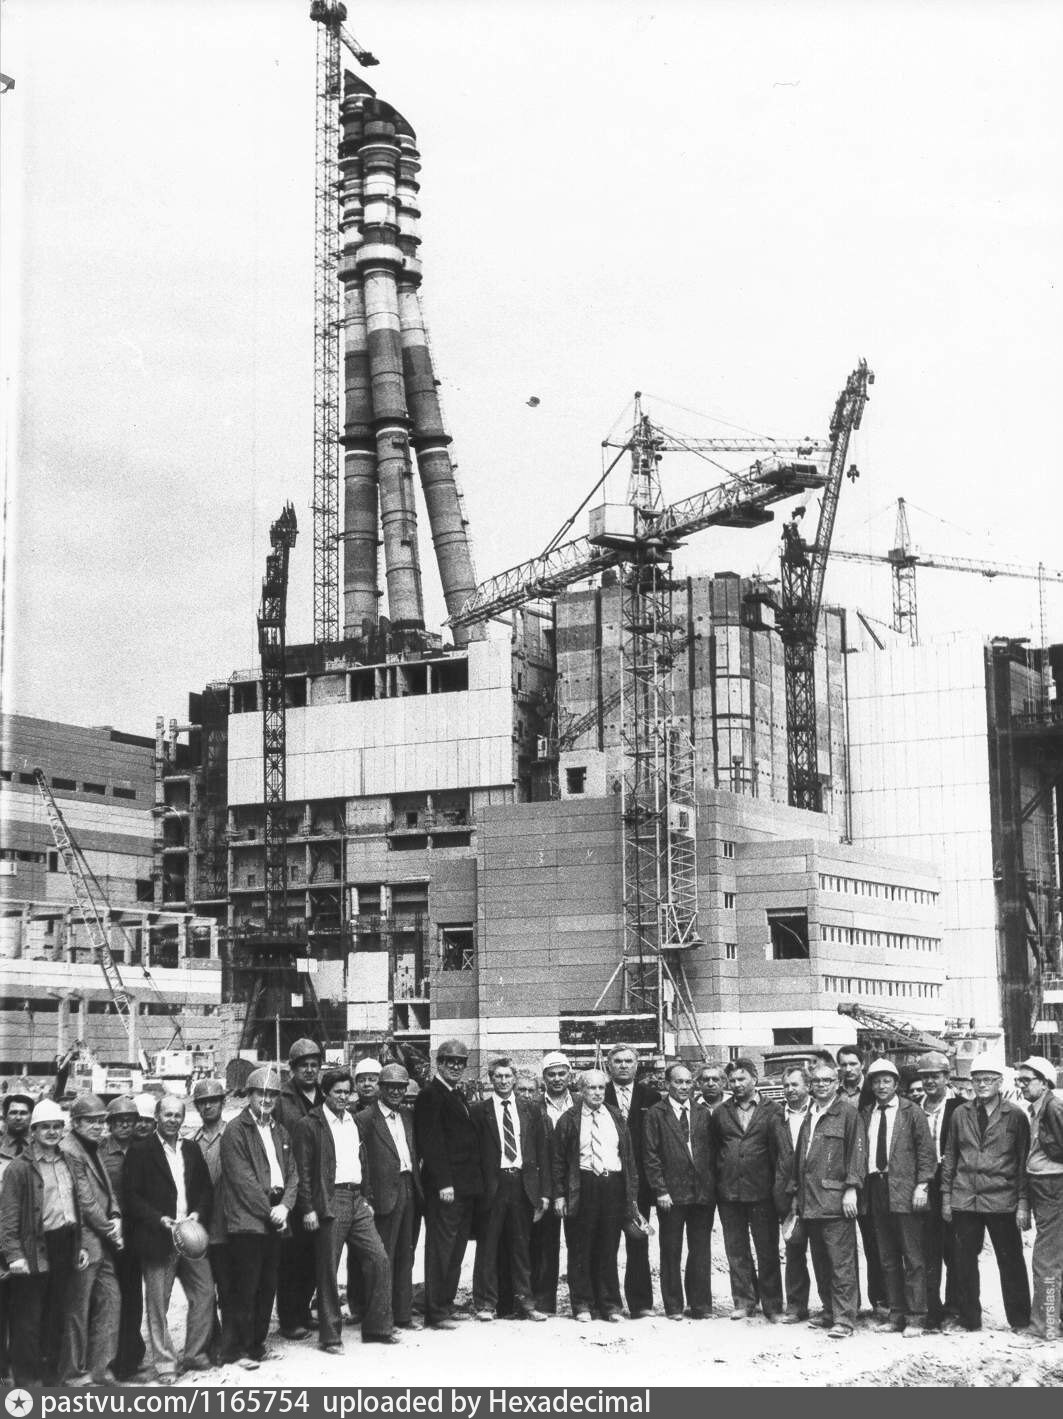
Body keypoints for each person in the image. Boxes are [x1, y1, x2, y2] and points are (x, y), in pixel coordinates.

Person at [293, 1068, 398, 1352]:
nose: (343, 1097)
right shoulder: (310, 1124)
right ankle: (330, 1337)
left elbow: (362, 1160)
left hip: (356, 1198)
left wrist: (366, 1198)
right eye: (337, 1092)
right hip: (331, 1199)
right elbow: (302, 1171)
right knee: (328, 1269)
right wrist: (308, 1208)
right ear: (325, 1093)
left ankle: (378, 1328)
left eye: (346, 1092)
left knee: (379, 1258)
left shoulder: (353, 1120)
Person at [123, 1094, 214, 1384]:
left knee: (205, 1293)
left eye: (178, 1115)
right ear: (157, 1117)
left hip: (191, 1235)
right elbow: (131, 1196)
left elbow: (205, 1189)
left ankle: (195, 1354)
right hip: (158, 1237)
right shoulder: (140, 1151)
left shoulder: (191, 1148)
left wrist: (198, 1213)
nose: (173, 1120)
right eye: (168, 1114)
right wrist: (159, 1219)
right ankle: (165, 1363)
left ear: (183, 1118)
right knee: (158, 1305)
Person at [940, 1050, 1032, 1334]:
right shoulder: (960, 1114)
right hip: (965, 1198)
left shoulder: (1015, 1116)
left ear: (1000, 1082)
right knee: (963, 1261)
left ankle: (1020, 1320)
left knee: (1010, 1259)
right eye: (977, 1079)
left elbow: (1023, 1162)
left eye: (988, 1079)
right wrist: (946, 1197)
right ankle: (969, 1320)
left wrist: (1023, 1203)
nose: (982, 1084)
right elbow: (950, 1157)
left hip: (1001, 1198)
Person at [0, 1098, 88, 1385]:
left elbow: (76, 1206)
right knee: (27, 1319)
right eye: (45, 1127)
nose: (52, 1132)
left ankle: (51, 1380)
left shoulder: (69, 1161)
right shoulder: (19, 1169)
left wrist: (80, 1245)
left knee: (56, 1314)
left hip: (65, 1243)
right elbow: (8, 1218)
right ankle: (27, 1384)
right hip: (34, 1247)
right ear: (34, 1131)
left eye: (56, 1126)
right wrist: (14, 1255)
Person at [219, 1066, 299, 1369]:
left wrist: (286, 1206)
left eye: (272, 1095)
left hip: (277, 1213)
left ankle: (256, 1345)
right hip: (248, 1219)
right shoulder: (235, 1130)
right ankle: (237, 1350)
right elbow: (243, 1181)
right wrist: (271, 1212)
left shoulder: (280, 1131)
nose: (266, 1099)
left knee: (268, 1285)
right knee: (245, 1286)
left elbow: (293, 1174)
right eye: (260, 1094)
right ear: (249, 1095)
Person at [552, 1069, 639, 1323]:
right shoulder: (569, 1119)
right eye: (591, 1088)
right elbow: (558, 1161)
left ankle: (610, 1305)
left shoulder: (615, 1115)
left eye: (601, 1088)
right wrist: (559, 1195)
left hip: (612, 1186)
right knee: (580, 1247)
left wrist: (631, 1194)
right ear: (581, 1091)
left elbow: (628, 1156)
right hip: (583, 1185)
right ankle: (582, 1304)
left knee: (608, 1246)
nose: (597, 1093)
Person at [790, 1060, 867, 1339]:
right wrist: (796, 1195)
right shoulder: (810, 1114)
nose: (821, 1085)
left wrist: (852, 1189)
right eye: (816, 1081)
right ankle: (829, 1310)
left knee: (841, 1262)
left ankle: (845, 1318)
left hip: (835, 1201)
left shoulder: (848, 1114)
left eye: (827, 1081)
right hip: (810, 1200)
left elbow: (858, 1153)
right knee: (821, 1261)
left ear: (837, 1084)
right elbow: (801, 1158)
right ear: (810, 1086)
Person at [858, 1058, 934, 1336]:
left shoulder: (911, 1112)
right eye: (876, 1081)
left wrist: (922, 1185)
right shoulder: (866, 1113)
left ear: (896, 1084)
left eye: (886, 1081)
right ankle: (896, 1314)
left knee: (912, 1257)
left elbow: (926, 1152)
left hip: (904, 1188)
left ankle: (916, 1317)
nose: (881, 1086)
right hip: (875, 1189)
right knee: (887, 1256)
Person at [470, 1058, 550, 1323]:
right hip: (493, 1186)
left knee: (521, 1247)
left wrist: (543, 1193)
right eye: (498, 1076)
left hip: (522, 1184)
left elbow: (541, 1152)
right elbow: (475, 1154)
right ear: (491, 1079)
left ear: (514, 1079)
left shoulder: (531, 1109)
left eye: (507, 1076)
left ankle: (526, 1302)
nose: (503, 1081)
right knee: (488, 1247)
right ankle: (486, 1304)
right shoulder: (479, 1111)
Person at [413, 1038, 484, 1330]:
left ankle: (445, 1302)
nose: (455, 1067)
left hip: (464, 1188)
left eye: (460, 1063)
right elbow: (431, 1143)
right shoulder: (431, 1095)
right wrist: (444, 1183)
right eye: (449, 1062)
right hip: (446, 1189)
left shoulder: (455, 1094)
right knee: (441, 1249)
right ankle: (435, 1311)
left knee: (455, 1249)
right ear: (438, 1063)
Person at [710, 1056, 783, 1321]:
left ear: (754, 1079)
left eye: (742, 1079)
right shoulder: (720, 1112)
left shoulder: (774, 1110)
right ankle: (744, 1301)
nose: (737, 1084)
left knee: (767, 1250)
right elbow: (716, 1149)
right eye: (732, 1080)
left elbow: (780, 1152)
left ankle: (773, 1305)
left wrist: (777, 1188)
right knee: (736, 1250)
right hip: (729, 1192)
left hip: (762, 1191)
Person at [642, 1063, 715, 1320]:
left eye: (687, 1082)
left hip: (701, 1194)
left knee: (700, 1251)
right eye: (678, 1082)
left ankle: (700, 1305)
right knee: (671, 1250)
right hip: (671, 1195)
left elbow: (710, 1152)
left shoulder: (702, 1113)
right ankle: (673, 1306)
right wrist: (660, 1190)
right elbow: (650, 1155)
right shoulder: (656, 1114)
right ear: (667, 1084)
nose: (684, 1087)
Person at [59, 1093, 123, 1385]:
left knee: (110, 1300)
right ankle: (73, 1373)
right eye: (91, 1121)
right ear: (75, 1122)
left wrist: (116, 1215)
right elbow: (84, 1200)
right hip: (83, 1242)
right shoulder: (69, 1149)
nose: (98, 1126)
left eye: (101, 1121)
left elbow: (108, 1191)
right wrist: (111, 1229)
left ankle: (101, 1368)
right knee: (77, 1310)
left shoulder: (92, 1146)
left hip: (102, 1240)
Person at [356, 1063, 422, 1330]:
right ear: (380, 1088)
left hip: (408, 1188)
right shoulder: (365, 1118)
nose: (396, 1092)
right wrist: (367, 1196)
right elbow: (360, 1160)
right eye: (391, 1087)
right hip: (382, 1195)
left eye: (400, 1088)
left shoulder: (407, 1115)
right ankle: (380, 1319)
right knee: (383, 1259)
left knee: (406, 1255)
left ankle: (403, 1315)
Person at [274, 1038, 325, 1340]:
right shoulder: (282, 1099)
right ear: (292, 1068)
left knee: (313, 1256)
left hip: (320, 1185)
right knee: (291, 1257)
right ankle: (289, 1318)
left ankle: (304, 1310)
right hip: (292, 1186)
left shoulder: (325, 1095)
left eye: (314, 1064)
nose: (309, 1070)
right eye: (303, 1065)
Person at [604, 1045, 656, 1317]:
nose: (623, 1065)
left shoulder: (651, 1096)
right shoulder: (600, 1093)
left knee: (638, 1241)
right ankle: (608, 1303)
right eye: (618, 1061)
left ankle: (641, 1304)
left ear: (637, 1065)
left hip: (640, 1184)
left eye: (628, 1061)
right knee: (607, 1243)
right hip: (609, 1181)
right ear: (608, 1065)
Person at [98, 1095, 147, 1381]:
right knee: (110, 1296)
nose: (125, 1125)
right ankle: (111, 1358)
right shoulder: (100, 1151)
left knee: (133, 1295)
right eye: (119, 1121)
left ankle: (131, 1355)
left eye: (130, 1120)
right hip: (110, 1231)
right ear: (110, 1123)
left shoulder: (144, 1148)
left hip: (138, 1230)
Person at [1014, 1055, 1063, 1342]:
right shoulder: (1039, 1109)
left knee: (1046, 1259)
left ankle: (1046, 1327)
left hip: (1053, 1185)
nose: (1021, 1085)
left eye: (1027, 1080)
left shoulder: (1053, 1108)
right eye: (1018, 1080)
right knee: (1053, 1256)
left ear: (1044, 1083)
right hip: (1044, 1185)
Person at [914, 1051, 962, 1332]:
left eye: (935, 1076)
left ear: (946, 1077)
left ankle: (955, 1309)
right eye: (925, 1077)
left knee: (954, 1251)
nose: (930, 1081)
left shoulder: (960, 1108)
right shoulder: (914, 1108)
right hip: (923, 1185)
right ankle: (932, 1310)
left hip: (953, 1185)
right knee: (927, 1251)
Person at [836, 1045, 885, 1318]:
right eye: (843, 1064)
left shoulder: (873, 1091)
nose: (848, 1069)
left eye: (853, 1063)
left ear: (862, 1065)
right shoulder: (834, 1093)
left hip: (870, 1177)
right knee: (843, 1247)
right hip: (838, 1176)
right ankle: (848, 1305)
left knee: (875, 1242)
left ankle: (880, 1300)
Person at [532, 1051, 575, 1314]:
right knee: (545, 1245)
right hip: (546, 1184)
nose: (557, 1079)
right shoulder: (534, 1106)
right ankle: (544, 1302)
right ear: (544, 1078)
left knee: (578, 1244)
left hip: (576, 1183)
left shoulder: (581, 1102)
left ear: (570, 1075)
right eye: (551, 1074)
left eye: (561, 1073)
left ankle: (581, 1302)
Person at [191, 1078, 231, 1363]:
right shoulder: (191, 1142)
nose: (208, 1106)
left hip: (229, 1223)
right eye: (202, 1102)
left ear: (223, 1102)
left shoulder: (234, 1134)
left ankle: (230, 1342)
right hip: (202, 1225)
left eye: (213, 1101)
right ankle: (212, 1341)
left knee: (229, 1287)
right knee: (205, 1290)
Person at [774, 1066, 813, 1323]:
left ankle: (835, 1308)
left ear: (807, 1086)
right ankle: (796, 1306)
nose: (790, 1090)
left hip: (817, 1192)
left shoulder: (819, 1111)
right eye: (786, 1085)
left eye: (795, 1084)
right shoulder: (777, 1117)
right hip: (788, 1194)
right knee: (794, 1249)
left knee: (826, 1252)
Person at [0, 1093, 32, 1384]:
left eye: (24, 1112)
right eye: (14, 1112)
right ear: (4, 1116)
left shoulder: (39, 1149)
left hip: (31, 1241)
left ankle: (23, 1372)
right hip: (2, 1237)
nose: (19, 1117)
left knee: (26, 1311)